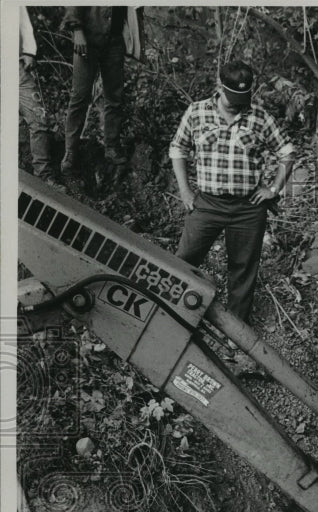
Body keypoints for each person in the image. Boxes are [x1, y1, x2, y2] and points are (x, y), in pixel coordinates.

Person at [169, 60, 296, 323]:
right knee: (183, 261)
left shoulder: (260, 118)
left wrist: (274, 188)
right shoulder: (197, 112)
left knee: (242, 270)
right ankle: (173, 314)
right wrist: (184, 190)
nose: (239, 102)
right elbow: (178, 149)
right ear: (219, 86)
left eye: (244, 96)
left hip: (247, 208)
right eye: (233, 96)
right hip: (207, 203)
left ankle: (236, 330)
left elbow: (287, 152)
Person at [61, 7, 143, 176]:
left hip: (114, 40)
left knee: (115, 97)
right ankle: (71, 150)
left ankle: (112, 147)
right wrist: (77, 30)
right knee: (80, 96)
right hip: (88, 37)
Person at [19, 7, 59, 185]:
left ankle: (43, 176)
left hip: (17, 66)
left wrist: (29, 51)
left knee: (39, 118)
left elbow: (21, 17)